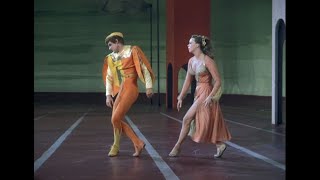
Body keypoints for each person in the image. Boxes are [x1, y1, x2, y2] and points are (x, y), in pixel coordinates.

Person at [169, 34, 231, 158]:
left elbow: (218, 81)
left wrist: (211, 96)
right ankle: (219, 144)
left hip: (206, 92)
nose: (188, 45)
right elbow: (187, 80)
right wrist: (181, 96)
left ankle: (177, 147)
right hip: (198, 93)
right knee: (203, 122)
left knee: (187, 119)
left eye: (190, 43)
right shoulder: (191, 61)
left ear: (197, 45)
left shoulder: (207, 60)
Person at [102, 32, 155, 157]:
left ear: (117, 41)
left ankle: (137, 142)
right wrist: (108, 95)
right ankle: (119, 146)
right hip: (122, 88)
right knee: (114, 120)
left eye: (110, 45)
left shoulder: (132, 50)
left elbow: (144, 69)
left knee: (115, 119)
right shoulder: (112, 57)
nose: (109, 48)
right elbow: (109, 77)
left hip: (131, 88)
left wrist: (149, 87)